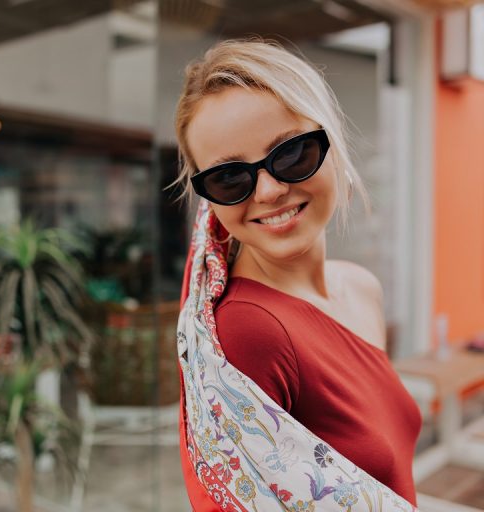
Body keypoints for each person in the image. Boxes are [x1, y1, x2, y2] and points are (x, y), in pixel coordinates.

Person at [171, 38, 422, 511]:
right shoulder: (248, 331)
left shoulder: (360, 287)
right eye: (229, 178)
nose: (268, 190)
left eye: (291, 153)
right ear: (208, 196)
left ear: (333, 144)